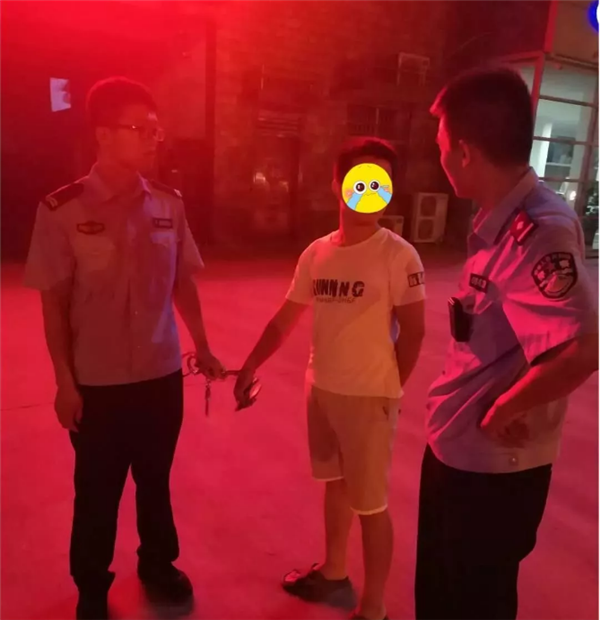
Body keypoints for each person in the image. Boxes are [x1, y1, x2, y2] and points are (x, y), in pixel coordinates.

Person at [24, 77, 225, 620]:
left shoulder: (169, 205)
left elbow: (182, 282)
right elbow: (53, 304)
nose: (153, 138)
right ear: (104, 135)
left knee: (155, 481)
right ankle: (92, 584)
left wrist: (203, 345)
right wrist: (65, 383)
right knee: (97, 491)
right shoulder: (61, 210)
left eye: (155, 129)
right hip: (98, 384)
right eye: (140, 128)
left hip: (160, 375)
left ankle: (158, 564)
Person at [415, 66, 599, 620]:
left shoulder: (538, 231)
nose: (440, 156)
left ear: (465, 152)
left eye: (442, 145)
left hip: (490, 473)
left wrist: (505, 410)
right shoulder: (499, 221)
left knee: (473, 602)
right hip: (457, 448)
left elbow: (584, 348)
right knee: (439, 597)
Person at [234, 137, 426, 620]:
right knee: (335, 484)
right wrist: (252, 363)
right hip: (321, 388)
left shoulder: (398, 255)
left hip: (369, 398)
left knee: (371, 504)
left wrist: (389, 389)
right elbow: (285, 318)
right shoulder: (317, 253)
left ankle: (374, 607)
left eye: (381, 182)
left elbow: (414, 331)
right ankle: (334, 571)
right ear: (337, 184)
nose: (370, 191)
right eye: (360, 180)